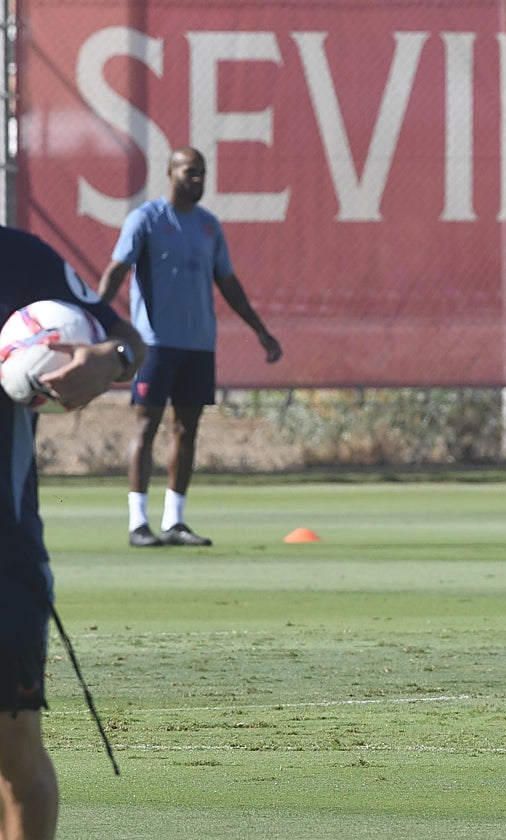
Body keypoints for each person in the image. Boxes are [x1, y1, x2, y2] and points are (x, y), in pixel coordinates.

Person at [1, 224, 147, 839]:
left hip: (2, 558)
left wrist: (107, 361)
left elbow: (126, 340)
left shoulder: (18, 258)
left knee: (13, 760)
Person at [99, 146, 282, 548]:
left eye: (202, 172)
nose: (197, 178)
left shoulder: (209, 227)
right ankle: (137, 523)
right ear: (170, 173)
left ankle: (175, 521)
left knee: (187, 429)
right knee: (145, 426)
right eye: (189, 171)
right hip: (154, 345)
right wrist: (97, 320)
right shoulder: (146, 219)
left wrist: (260, 331)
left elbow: (228, 285)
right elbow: (117, 270)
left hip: (198, 344)